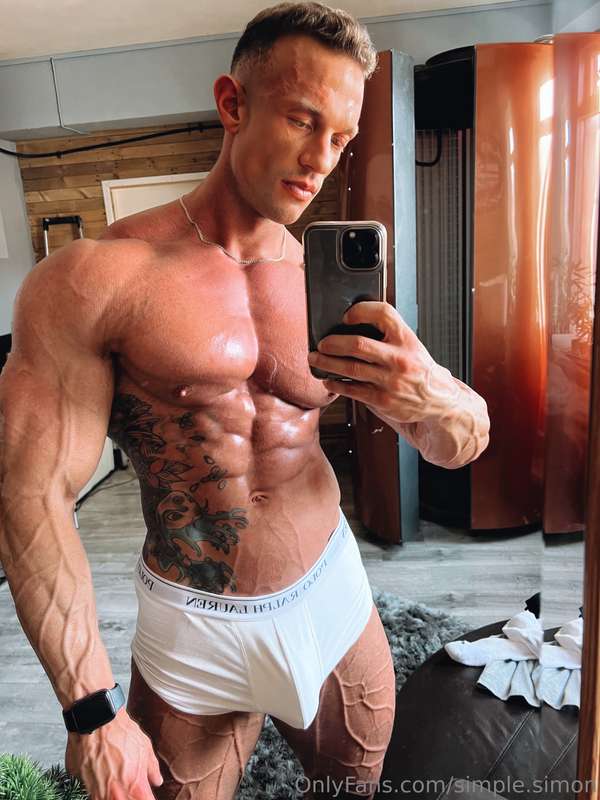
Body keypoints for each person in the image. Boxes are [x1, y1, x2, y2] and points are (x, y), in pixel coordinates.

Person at [0, 3, 490, 799]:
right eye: (303, 120)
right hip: (195, 624)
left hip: (330, 596)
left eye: (341, 137)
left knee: (353, 788)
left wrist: (429, 395)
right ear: (233, 103)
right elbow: (31, 494)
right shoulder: (96, 279)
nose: (321, 159)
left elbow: (458, 444)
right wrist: (90, 711)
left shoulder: (329, 285)